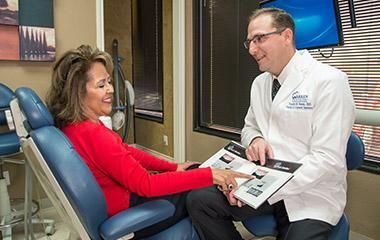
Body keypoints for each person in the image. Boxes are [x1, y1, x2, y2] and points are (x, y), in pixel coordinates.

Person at [45, 45, 252, 238]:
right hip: (130, 213)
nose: (111, 89)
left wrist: (173, 166)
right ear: (78, 94)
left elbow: (125, 151)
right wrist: (210, 175)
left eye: (108, 81)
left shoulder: (73, 127)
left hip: (124, 200)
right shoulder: (94, 134)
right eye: (101, 85)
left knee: (196, 173)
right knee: (203, 192)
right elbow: (146, 185)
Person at [187, 7, 355, 240]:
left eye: (259, 39)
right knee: (199, 199)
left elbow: (326, 159)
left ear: (287, 36)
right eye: (249, 42)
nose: (253, 49)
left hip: (311, 193)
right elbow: (249, 127)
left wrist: (266, 186)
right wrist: (255, 139)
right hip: (263, 181)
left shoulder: (329, 81)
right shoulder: (260, 84)